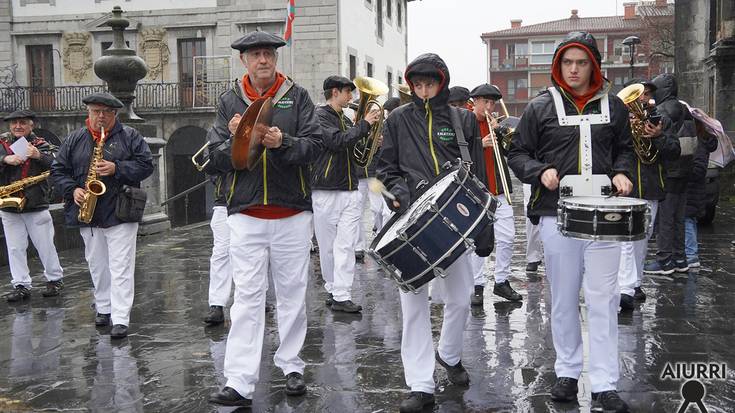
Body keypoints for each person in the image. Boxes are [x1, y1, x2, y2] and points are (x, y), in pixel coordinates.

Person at [508, 32, 634, 412]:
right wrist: (539, 170)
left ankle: (605, 382)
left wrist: (623, 172)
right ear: (558, 66)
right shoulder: (540, 107)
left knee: (604, 299)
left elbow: (626, 149)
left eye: (581, 62)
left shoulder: (614, 106)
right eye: (567, 62)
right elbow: (518, 153)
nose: (574, 69)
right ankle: (566, 372)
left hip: (604, 214)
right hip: (555, 213)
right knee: (562, 298)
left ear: (594, 65)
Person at [205, 31, 323, 407]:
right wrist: (238, 139)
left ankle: (292, 365)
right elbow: (214, 156)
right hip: (245, 213)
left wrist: (281, 142)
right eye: (256, 54)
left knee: (291, 294)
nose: (263, 60)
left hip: (292, 211)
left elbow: (315, 146)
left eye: (269, 54)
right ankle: (239, 379)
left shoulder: (298, 96)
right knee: (247, 299)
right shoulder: (228, 101)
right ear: (244, 61)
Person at [377, 53, 487, 413]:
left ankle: (449, 354)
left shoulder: (463, 120)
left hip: (453, 220)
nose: (423, 91)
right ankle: (420, 384)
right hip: (411, 222)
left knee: (460, 298)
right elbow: (385, 170)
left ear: (442, 82)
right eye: (418, 85)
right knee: (414, 307)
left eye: (430, 84)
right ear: (411, 85)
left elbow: (478, 172)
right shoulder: (397, 120)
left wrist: (485, 223)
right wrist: (399, 194)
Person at [51, 92, 153, 339]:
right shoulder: (75, 139)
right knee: (97, 265)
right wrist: (73, 189)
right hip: (88, 212)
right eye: (96, 111)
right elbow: (58, 170)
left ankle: (120, 318)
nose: (100, 116)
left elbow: (147, 165)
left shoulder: (130, 136)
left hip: (120, 210)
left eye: (106, 112)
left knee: (120, 266)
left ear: (115, 114)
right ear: (88, 112)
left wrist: (117, 168)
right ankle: (104, 308)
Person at [312, 75, 380, 313]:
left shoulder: (347, 118)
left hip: (349, 188)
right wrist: (365, 126)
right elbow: (335, 142)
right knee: (328, 246)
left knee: (346, 244)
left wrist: (371, 139)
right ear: (334, 93)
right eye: (347, 92)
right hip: (326, 189)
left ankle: (342, 294)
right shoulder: (319, 117)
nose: (352, 97)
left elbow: (356, 150)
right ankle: (332, 289)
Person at [617, 79, 679, 311]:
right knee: (626, 239)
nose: (642, 99)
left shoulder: (662, 121)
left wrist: (659, 136)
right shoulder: (621, 123)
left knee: (642, 238)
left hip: (651, 188)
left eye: (646, 95)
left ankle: (636, 283)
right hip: (626, 188)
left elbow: (675, 152)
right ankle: (625, 288)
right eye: (639, 95)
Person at [0, 110, 64, 302]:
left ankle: (54, 279)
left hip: (36, 203)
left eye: (22, 123)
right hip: (8, 204)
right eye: (14, 123)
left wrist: (38, 156)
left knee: (45, 245)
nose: (17, 126)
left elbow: (58, 164)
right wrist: (4, 159)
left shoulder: (42, 145)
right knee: (14, 247)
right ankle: (20, 284)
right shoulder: (2, 144)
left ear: (31, 125)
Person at [643, 74, 703, 275]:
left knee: (665, 218)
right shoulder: (685, 109)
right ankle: (680, 258)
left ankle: (665, 260)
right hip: (685, 171)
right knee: (678, 217)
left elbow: (659, 142)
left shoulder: (661, 111)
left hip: (668, 171)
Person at [469, 83, 521, 305]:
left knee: (507, 237)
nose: (490, 106)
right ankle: (476, 284)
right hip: (476, 192)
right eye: (486, 102)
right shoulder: (465, 124)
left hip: (500, 190)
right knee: (477, 242)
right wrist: (479, 144)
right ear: (475, 102)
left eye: (493, 102)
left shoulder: (498, 125)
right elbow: (455, 153)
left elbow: (514, 152)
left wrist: (501, 134)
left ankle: (501, 281)